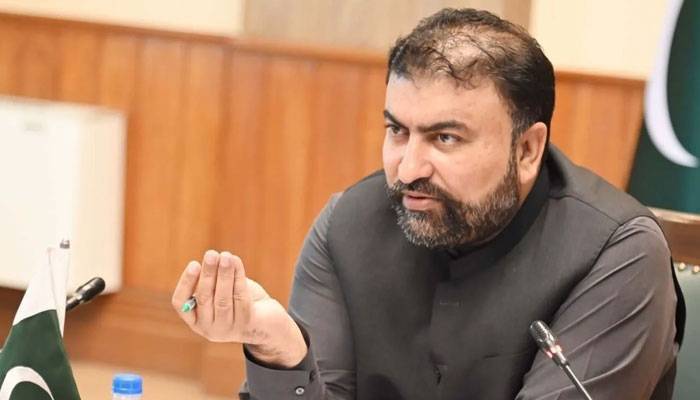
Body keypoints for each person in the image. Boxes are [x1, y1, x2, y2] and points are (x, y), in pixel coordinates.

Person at [171, 8, 684, 400]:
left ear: (527, 149)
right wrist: (280, 349)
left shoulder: (616, 252)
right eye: (397, 131)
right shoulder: (347, 226)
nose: (408, 168)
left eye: (445, 138)